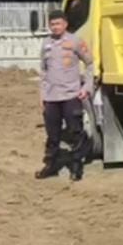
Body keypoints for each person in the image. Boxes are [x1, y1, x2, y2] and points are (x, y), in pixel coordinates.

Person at [35, 10, 94, 182]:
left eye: (58, 24)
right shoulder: (46, 44)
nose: (55, 27)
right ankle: (51, 166)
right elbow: (44, 71)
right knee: (52, 135)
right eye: (52, 24)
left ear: (65, 24)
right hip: (51, 97)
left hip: (71, 95)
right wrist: (42, 95)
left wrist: (87, 87)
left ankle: (76, 167)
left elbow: (90, 64)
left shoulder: (75, 41)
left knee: (75, 132)